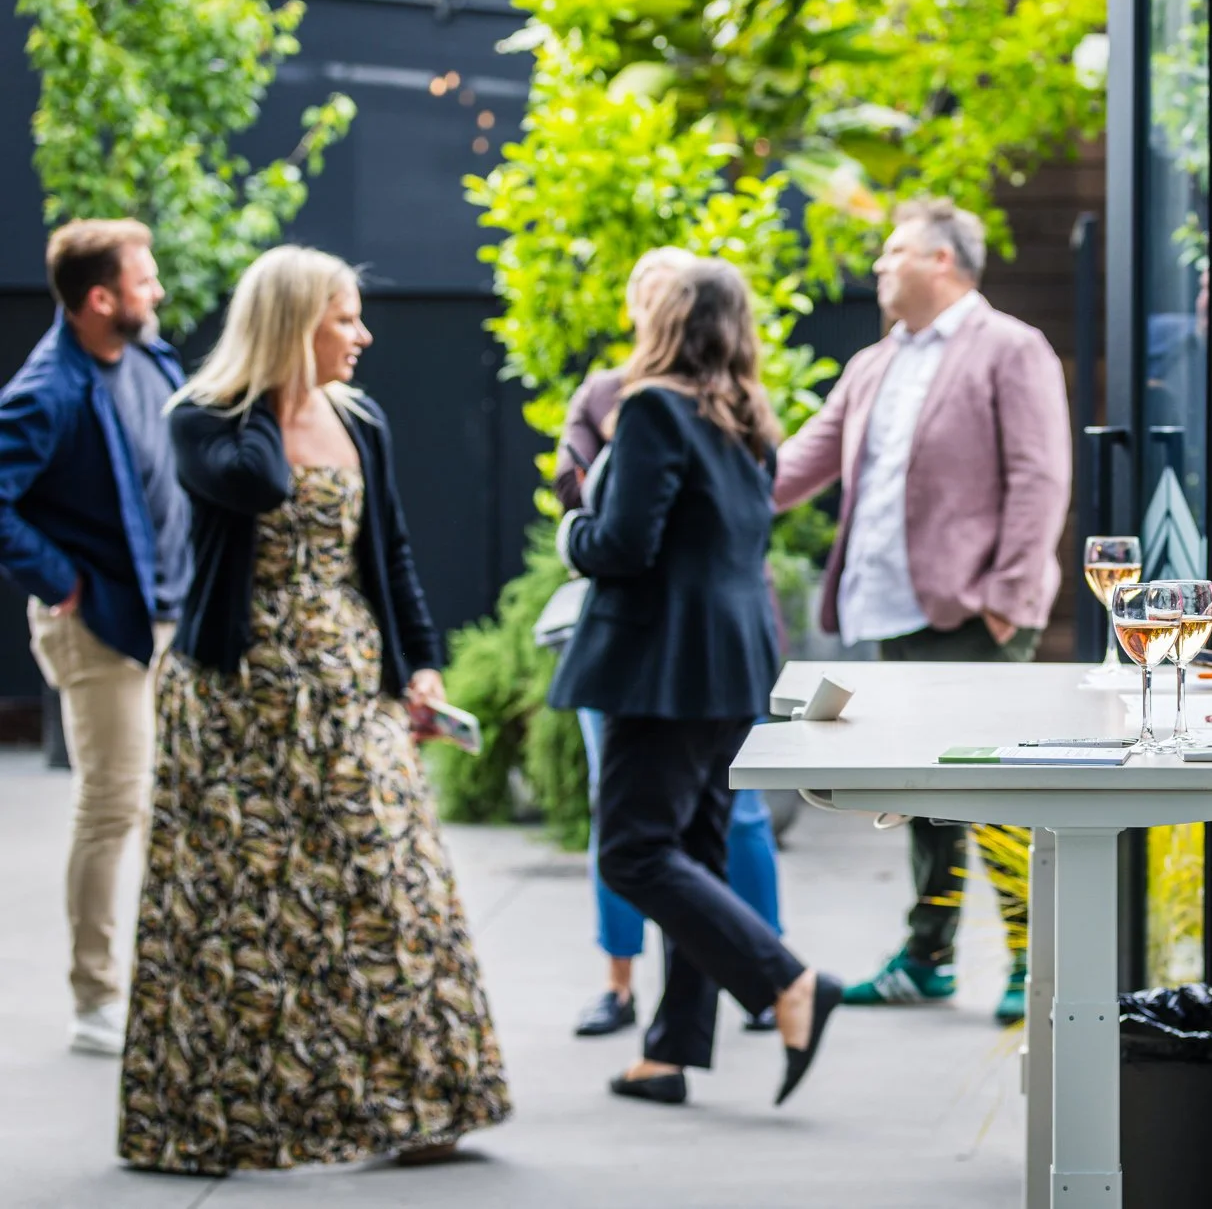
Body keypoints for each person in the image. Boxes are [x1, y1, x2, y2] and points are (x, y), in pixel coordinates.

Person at [122, 245, 510, 1173]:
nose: (364, 334)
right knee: (233, 913)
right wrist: (275, 390)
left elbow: (394, 551)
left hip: (348, 688)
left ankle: (422, 1103)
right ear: (295, 324)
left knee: (391, 883)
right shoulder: (208, 421)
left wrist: (420, 665)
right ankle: (215, 1124)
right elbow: (258, 483)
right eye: (343, 317)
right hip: (234, 702)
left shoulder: (363, 420)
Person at [550, 256, 840, 1109]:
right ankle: (671, 1051)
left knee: (635, 852)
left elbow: (622, 547)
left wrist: (573, 529)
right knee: (698, 851)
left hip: (661, 666)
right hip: (735, 659)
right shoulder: (748, 418)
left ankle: (786, 978)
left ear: (667, 323)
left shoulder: (650, 410)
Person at [774, 198, 1071, 1025]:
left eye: (894, 251)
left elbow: (1041, 478)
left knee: (994, 797)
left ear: (944, 260)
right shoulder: (876, 361)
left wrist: (1010, 602)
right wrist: (715, 482)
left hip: (975, 617)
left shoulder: (1011, 348)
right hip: (892, 614)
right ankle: (927, 955)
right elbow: (804, 458)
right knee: (921, 797)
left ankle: (1027, 961)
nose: (878, 266)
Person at [0, 220, 187, 1057]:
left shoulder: (150, 357)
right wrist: (61, 580)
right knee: (114, 802)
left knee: (162, 803)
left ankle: (153, 978)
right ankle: (96, 999)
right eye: (143, 283)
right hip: (99, 622)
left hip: (168, 614)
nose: (157, 295)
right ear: (99, 299)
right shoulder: (48, 388)